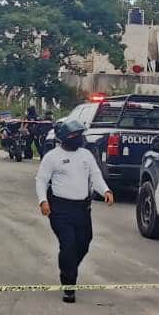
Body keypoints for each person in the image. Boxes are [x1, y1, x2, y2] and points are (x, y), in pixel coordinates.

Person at [35, 120, 114, 304]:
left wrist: (106, 191)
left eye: (79, 135)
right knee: (68, 245)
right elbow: (41, 180)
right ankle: (69, 285)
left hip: (82, 209)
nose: (78, 138)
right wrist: (43, 201)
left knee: (84, 243)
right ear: (63, 138)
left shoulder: (86, 155)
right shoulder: (52, 157)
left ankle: (69, 268)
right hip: (60, 210)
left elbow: (95, 176)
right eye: (73, 136)